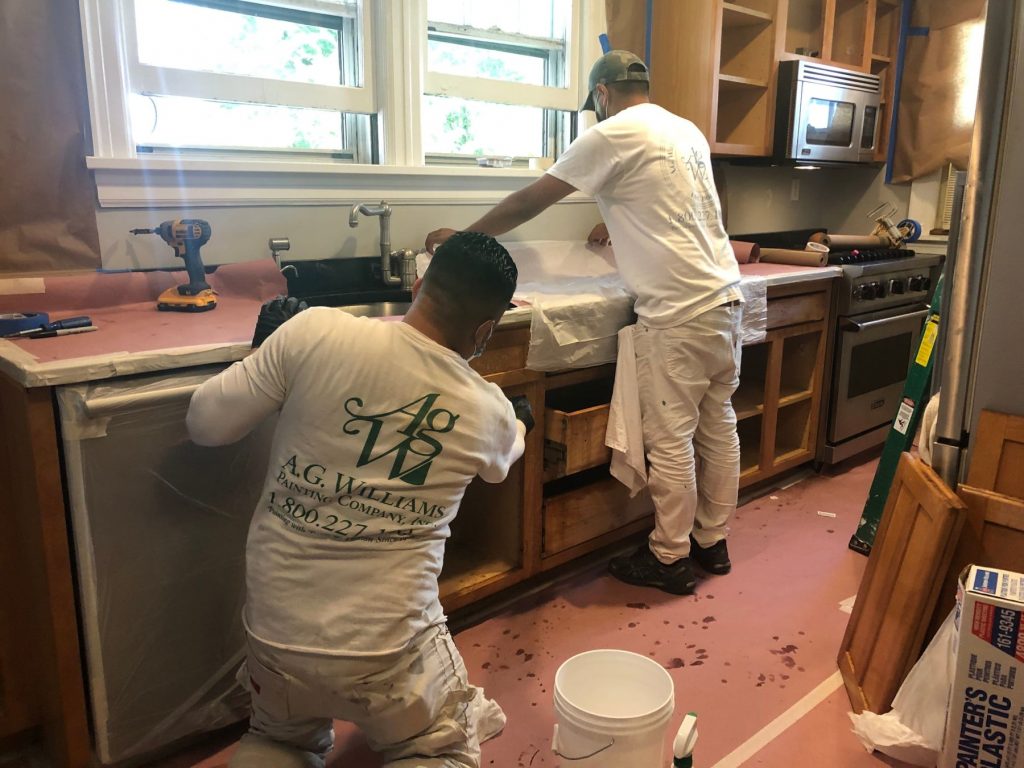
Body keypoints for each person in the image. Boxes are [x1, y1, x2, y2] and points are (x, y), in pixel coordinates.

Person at [186, 232, 533, 768]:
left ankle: (280, 743)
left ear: (418, 286)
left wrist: (264, 356)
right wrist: (518, 420)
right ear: (486, 331)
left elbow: (205, 425)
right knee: (438, 747)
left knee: (277, 740)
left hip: (277, 639)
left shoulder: (313, 332)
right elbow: (503, 460)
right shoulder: (488, 410)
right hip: (391, 653)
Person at [425, 51, 742, 596]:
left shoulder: (611, 134)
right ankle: (712, 542)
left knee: (671, 442)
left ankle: (669, 557)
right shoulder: (684, 130)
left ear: (601, 95)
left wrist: (465, 239)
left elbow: (531, 201)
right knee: (719, 427)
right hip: (725, 301)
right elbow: (673, 201)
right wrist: (614, 214)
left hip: (677, 313)